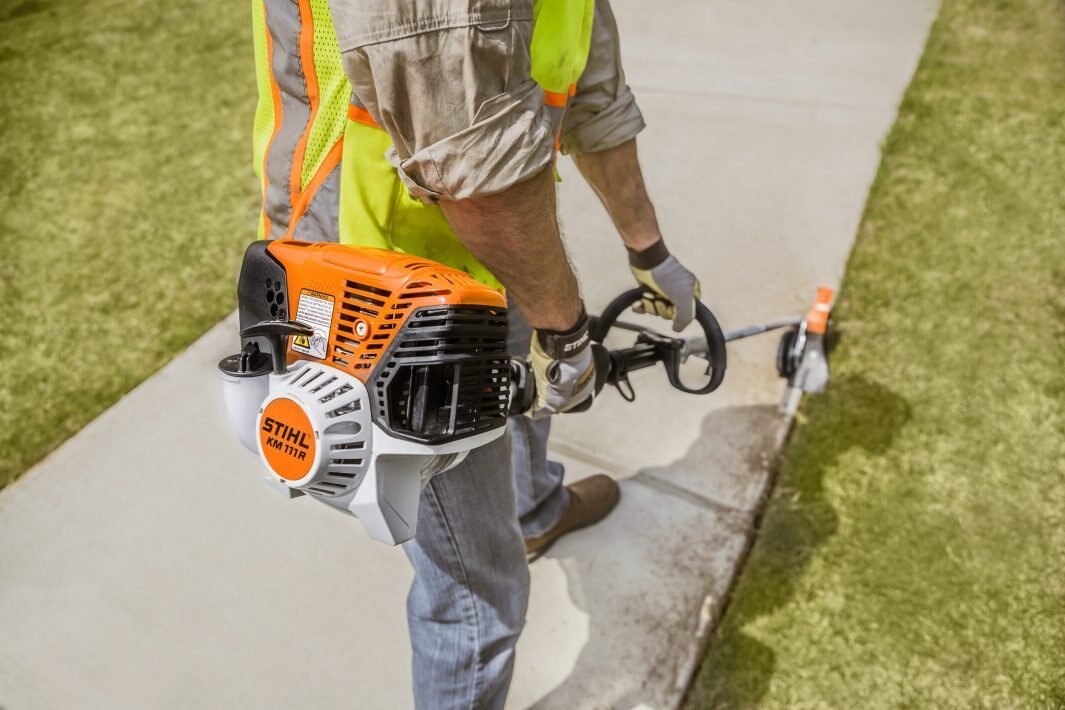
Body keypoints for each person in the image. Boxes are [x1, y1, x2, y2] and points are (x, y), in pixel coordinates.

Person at [251, 0, 701, 705]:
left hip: (492, 245)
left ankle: (532, 510)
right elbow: (471, 163)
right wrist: (565, 330)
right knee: (475, 595)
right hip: (381, 279)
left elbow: (589, 86)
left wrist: (648, 250)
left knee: (528, 385)